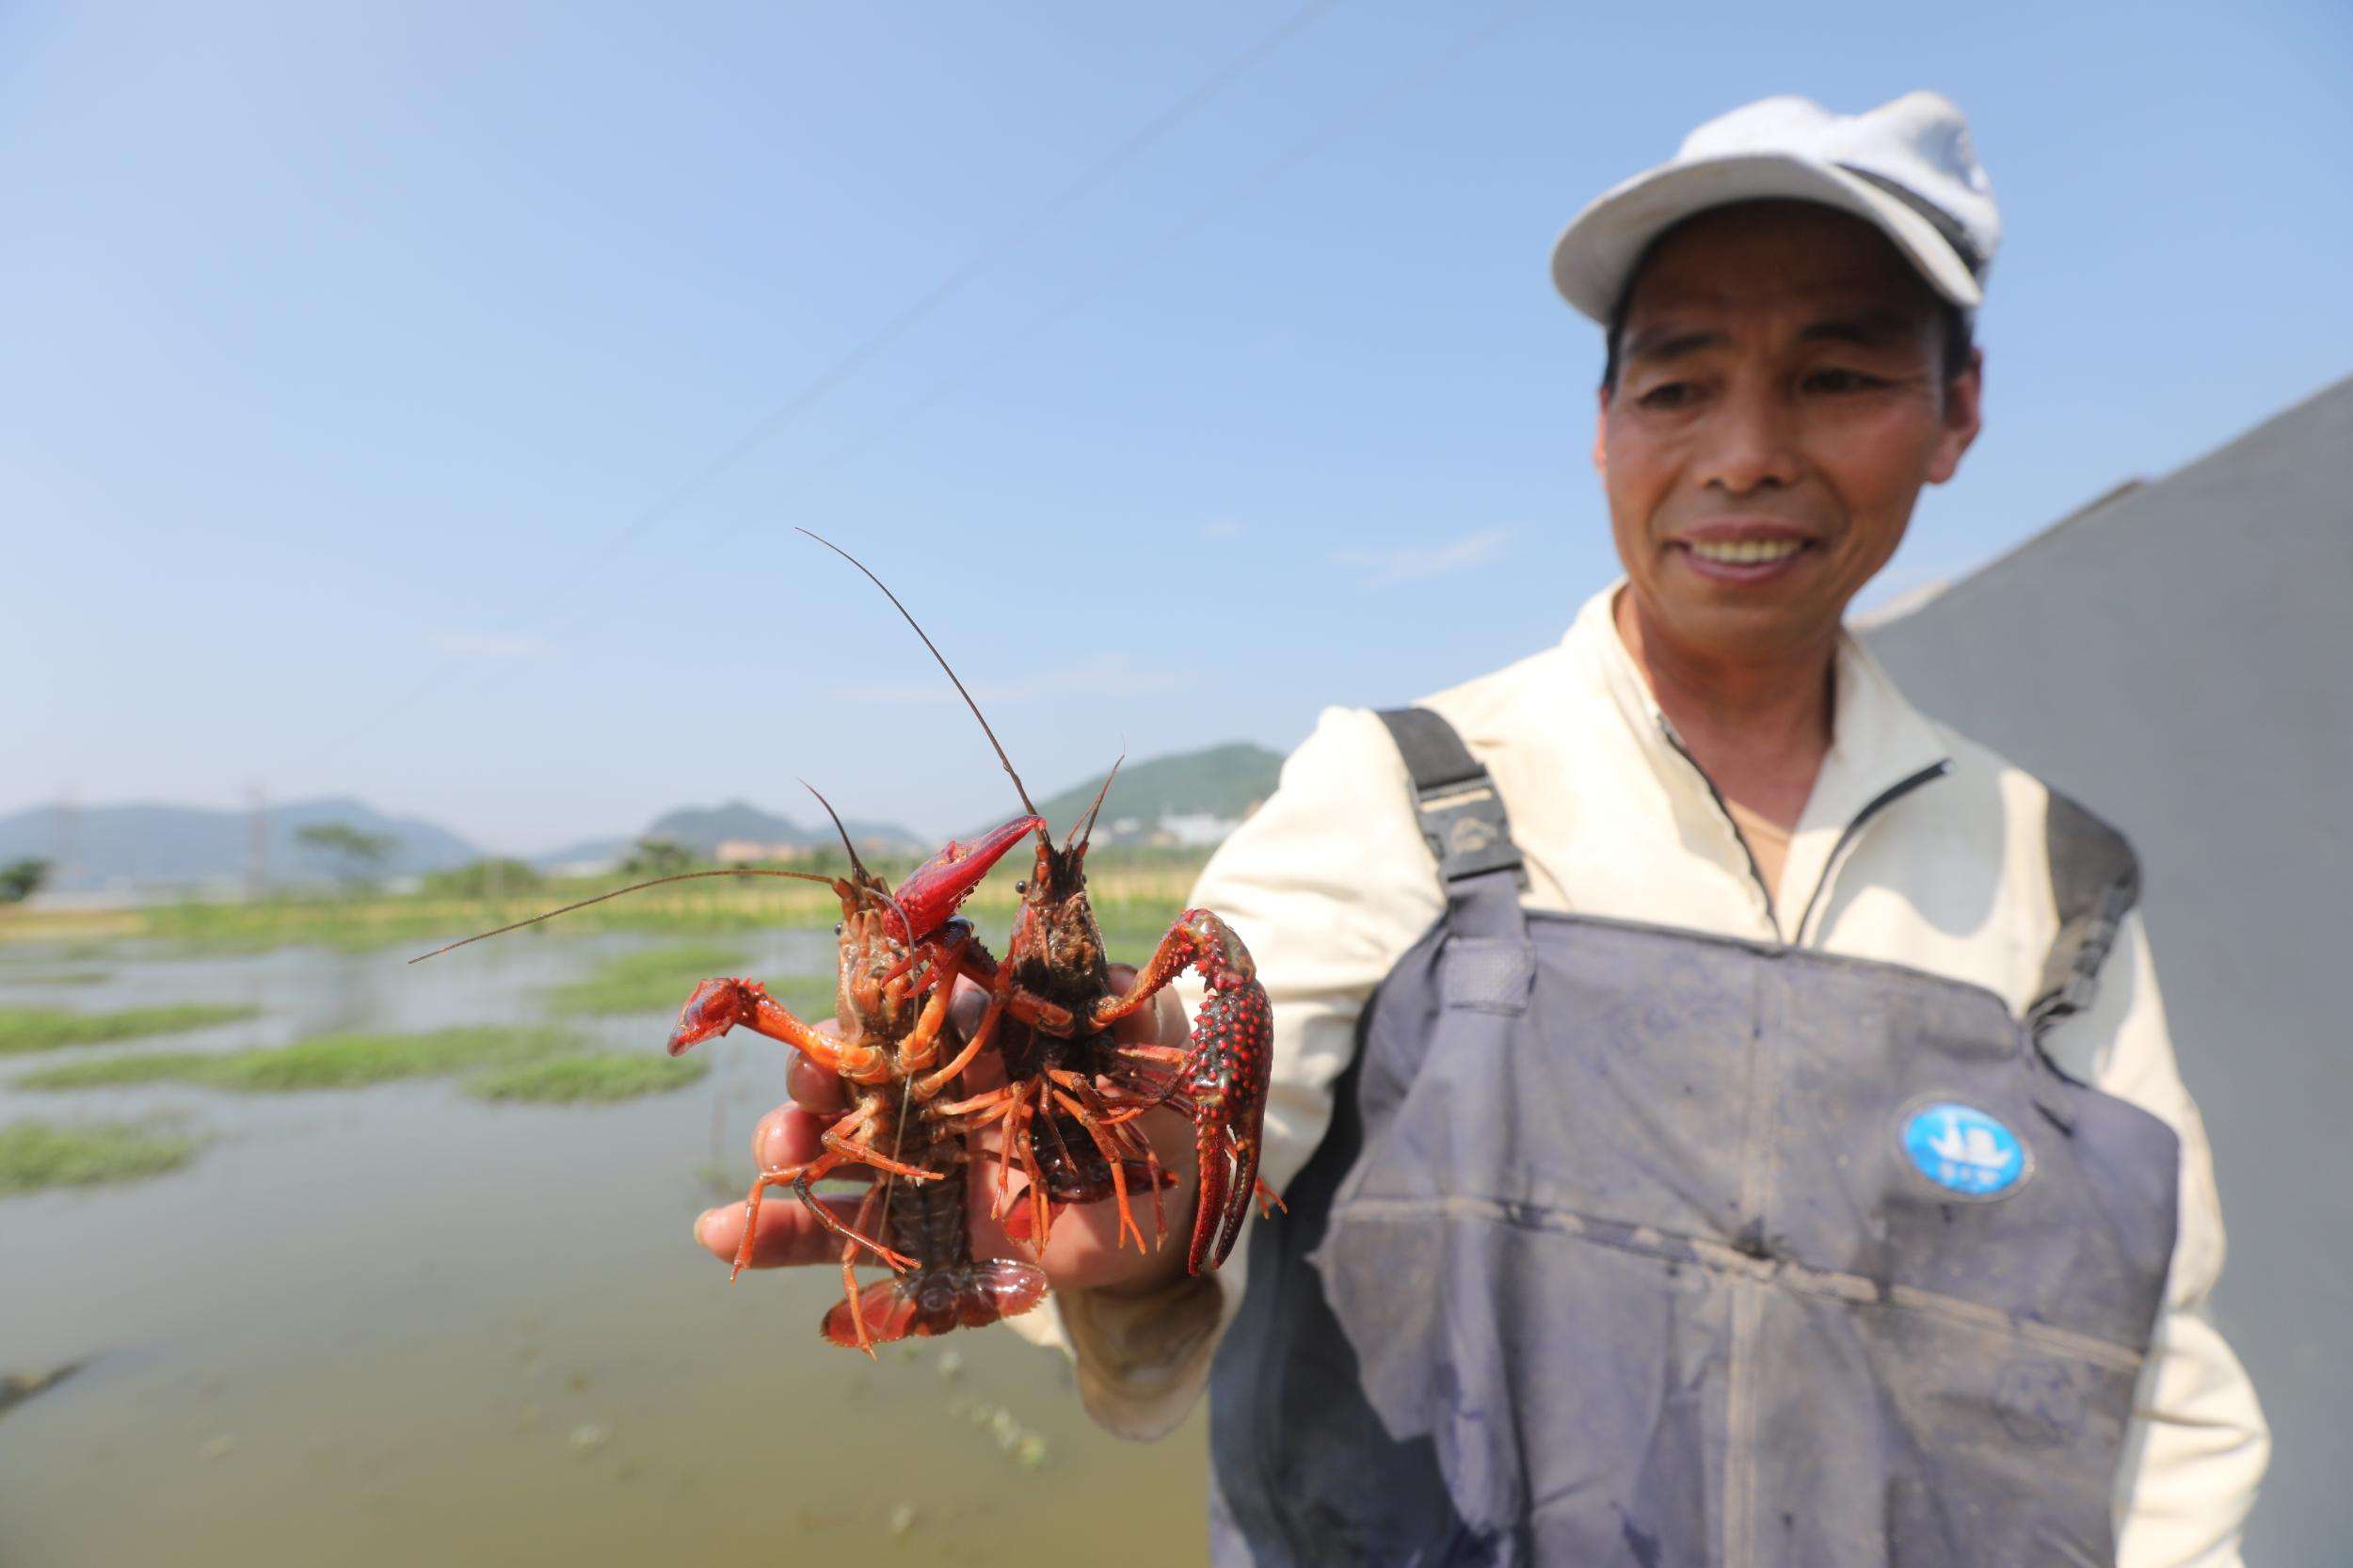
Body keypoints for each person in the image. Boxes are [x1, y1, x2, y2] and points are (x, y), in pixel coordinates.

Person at [697, 91, 2268, 1566]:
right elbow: (1212, 1044)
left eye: (1838, 375)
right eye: (1678, 381)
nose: (1743, 451)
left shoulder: (2060, 880)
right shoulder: (1391, 784)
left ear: (1958, 411)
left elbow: (2162, 1395)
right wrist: (1163, 1199)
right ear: (1601, 425)